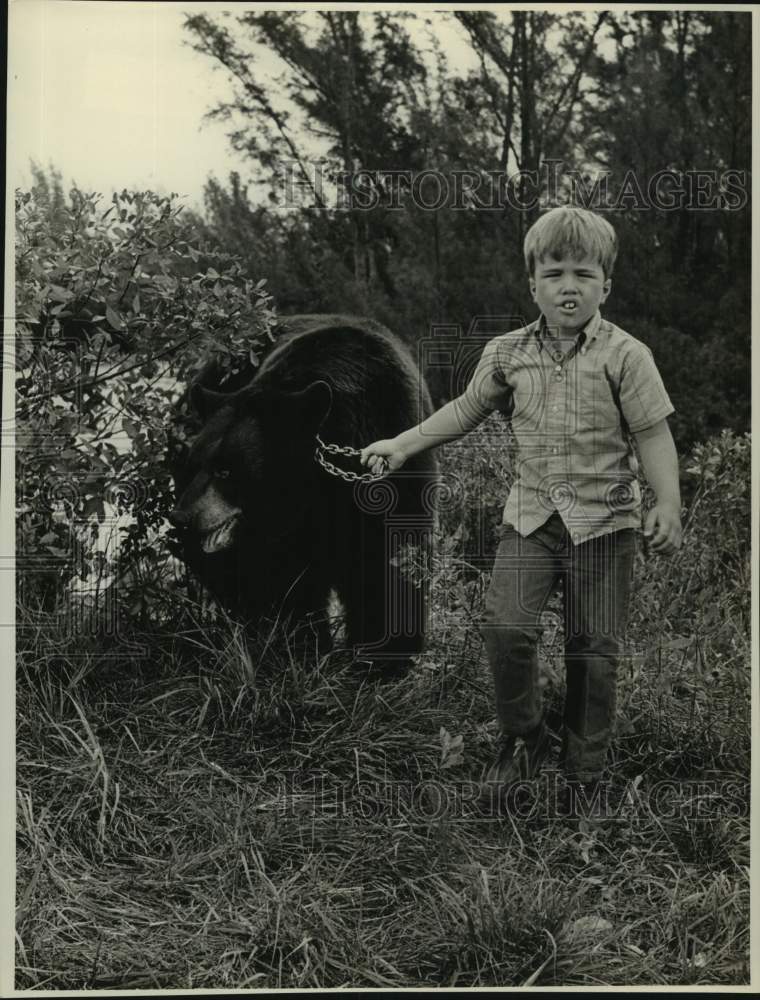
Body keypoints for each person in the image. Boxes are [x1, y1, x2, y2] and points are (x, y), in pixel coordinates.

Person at [360, 205, 682, 805]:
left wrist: (668, 503)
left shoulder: (626, 356)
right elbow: (463, 410)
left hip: (606, 526)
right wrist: (401, 445)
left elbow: (654, 434)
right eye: (555, 272)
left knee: (594, 648)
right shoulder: (507, 353)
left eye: (584, 274)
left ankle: (584, 771)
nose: (569, 286)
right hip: (530, 519)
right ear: (532, 282)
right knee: (505, 626)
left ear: (605, 285)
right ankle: (524, 738)